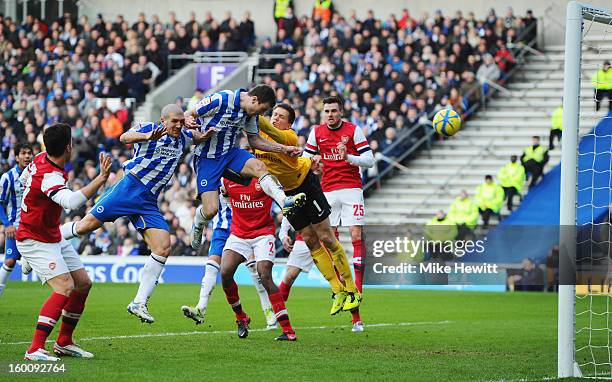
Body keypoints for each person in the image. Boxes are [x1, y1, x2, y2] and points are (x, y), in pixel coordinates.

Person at [60, 104, 216, 324]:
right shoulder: (149, 128)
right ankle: (47, 239)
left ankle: (139, 302)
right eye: (174, 121)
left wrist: (205, 134)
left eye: (181, 121)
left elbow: (195, 136)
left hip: (149, 201)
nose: (178, 125)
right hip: (130, 188)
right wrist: (146, 135)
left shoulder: (183, 136)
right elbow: (124, 137)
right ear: (163, 120)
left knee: (163, 245)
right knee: (86, 226)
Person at [256, 103, 362, 317]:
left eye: (281, 116)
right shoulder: (258, 138)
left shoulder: (289, 137)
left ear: (289, 124)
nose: (275, 119)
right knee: (310, 240)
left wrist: (244, 107)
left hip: (306, 183)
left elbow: (268, 129)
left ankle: (352, 289)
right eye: (273, 114)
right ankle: (337, 290)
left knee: (327, 237)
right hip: (287, 194)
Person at [17, 123, 112, 361]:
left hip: (51, 235)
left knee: (82, 284)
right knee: (64, 287)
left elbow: (22, 178)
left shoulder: (41, 158)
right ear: (68, 147)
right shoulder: (49, 176)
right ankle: (35, 349)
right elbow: (72, 203)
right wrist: (100, 179)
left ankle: (64, 342)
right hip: (34, 239)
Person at [185, 85, 306, 252]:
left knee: (259, 166)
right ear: (254, 99)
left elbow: (255, 140)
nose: (261, 115)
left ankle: (284, 200)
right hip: (207, 158)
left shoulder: (250, 113)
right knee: (211, 209)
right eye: (261, 110)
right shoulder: (222, 99)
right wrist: (189, 120)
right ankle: (199, 220)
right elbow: (189, 113)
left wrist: (283, 149)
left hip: (231, 153)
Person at [303, 96, 374, 331]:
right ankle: (344, 291)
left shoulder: (354, 131)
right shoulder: (317, 132)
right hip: (328, 191)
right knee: (328, 240)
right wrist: (311, 162)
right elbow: (304, 159)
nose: (330, 114)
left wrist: (348, 158)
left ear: (341, 112)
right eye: (327, 111)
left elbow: (369, 160)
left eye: (334, 110)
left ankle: (358, 290)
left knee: (355, 234)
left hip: (352, 188)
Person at [181, 193, 277, 330]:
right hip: (221, 228)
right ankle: (201, 308)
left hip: (243, 227)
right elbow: (203, 197)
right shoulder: (214, 176)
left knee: (254, 267)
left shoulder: (239, 174)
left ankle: (268, 310)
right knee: (212, 267)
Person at [218, 176, 297, 341]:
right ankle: (241, 318)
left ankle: (288, 330)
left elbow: (285, 204)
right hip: (239, 234)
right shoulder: (226, 180)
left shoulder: (265, 179)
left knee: (265, 274)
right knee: (225, 272)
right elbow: (224, 200)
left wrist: (283, 233)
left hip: (263, 234)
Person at [0, 143, 33, 297]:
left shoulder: (36, 175)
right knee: (10, 262)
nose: (27, 156)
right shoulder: (8, 177)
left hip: (33, 227)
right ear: (16, 156)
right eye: (23, 153)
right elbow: (0, 203)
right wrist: (7, 224)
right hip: (14, 227)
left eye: (29, 153)